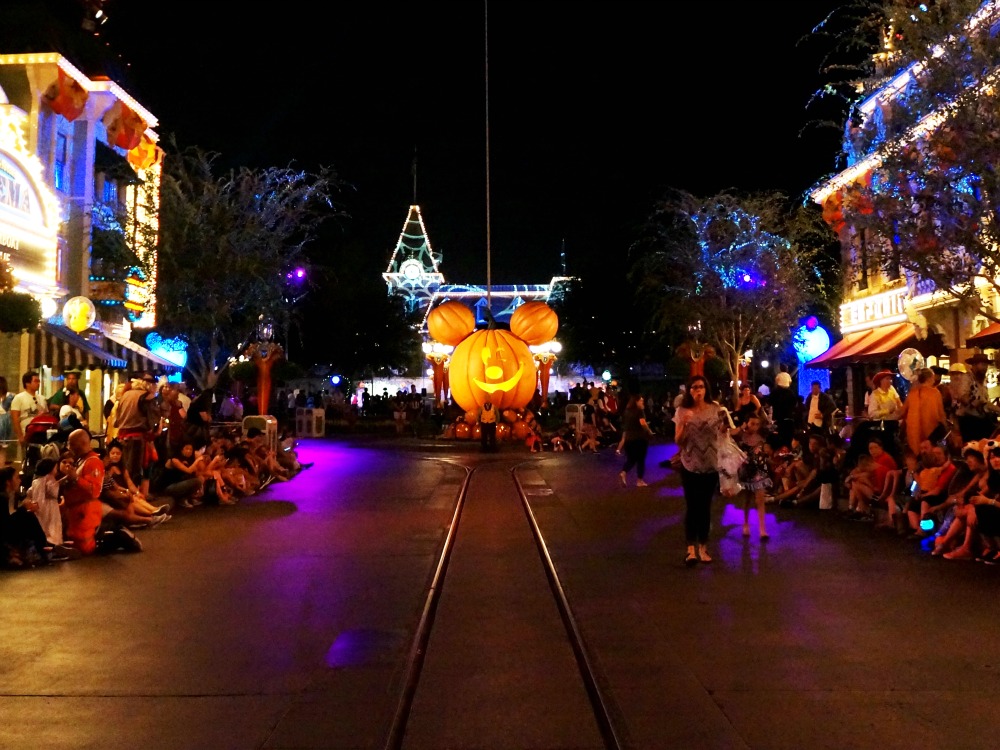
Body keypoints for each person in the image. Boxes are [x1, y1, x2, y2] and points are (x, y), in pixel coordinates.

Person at [673, 374, 726, 566]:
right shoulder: (682, 411)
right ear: (689, 390)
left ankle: (703, 547)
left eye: (701, 387)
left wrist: (727, 427)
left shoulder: (715, 409)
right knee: (692, 506)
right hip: (690, 464)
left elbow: (723, 433)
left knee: (705, 507)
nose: (698, 390)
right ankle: (690, 549)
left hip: (710, 464)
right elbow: (678, 441)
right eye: (694, 387)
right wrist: (685, 423)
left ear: (706, 389)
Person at [60, 428, 105, 555]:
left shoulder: (93, 462)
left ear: (83, 443)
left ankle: (114, 537)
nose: (69, 447)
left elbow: (94, 491)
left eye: (72, 444)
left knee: (86, 548)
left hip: (85, 512)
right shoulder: (82, 460)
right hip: (75, 512)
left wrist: (76, 479)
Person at [734, 413, 771, 540]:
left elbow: (768, 422)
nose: (754, 426)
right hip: (746, 469)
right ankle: (745, 523)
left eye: (757, 424)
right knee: (747, 499)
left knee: (760, 499)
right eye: (752, 423)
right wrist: (742, 427)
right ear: (747, 423)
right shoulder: (741, 435)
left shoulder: (761, 435)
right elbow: (731, 433)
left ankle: (762, 529)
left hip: (759, 469)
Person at [898, 367, 948, 455]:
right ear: (929, 378)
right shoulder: (935, 393)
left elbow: (902, 412)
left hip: (913, 433)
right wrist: (946, 428)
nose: (934, 380)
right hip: (931, 431)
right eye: (933, 377)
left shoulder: (912, 393)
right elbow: (941, 414)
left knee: (917, 454)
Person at [955, 353, 999, 442]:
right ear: (974, 365)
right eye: (983, 365)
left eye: (986, 365)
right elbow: (962, 396)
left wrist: (996, 409)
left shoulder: (982, 380)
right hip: (969, 421)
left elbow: (985, 402)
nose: (985, 368)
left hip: (980, 420)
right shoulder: (966, 378)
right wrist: (972, 401)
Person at [617, 394, 654, 488]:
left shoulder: (627, 412)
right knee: (641, 460)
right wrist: (649, 431)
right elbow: (643, 423)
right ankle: (640, 480)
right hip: (639, 438)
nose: (642, 402)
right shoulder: (639, 411)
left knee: (631, 459)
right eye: (641, 401)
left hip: (629, 439)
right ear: (636, 402)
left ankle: (624, 472)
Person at [9, 371, 49, 450]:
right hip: (26, 433)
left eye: (39, 381)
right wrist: (20, 436)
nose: (38, 383)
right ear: (27, 383)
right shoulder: (19, 398)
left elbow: (47, 415)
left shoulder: (42, 398)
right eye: (35, 381)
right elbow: (15, 418)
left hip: (41, 433)